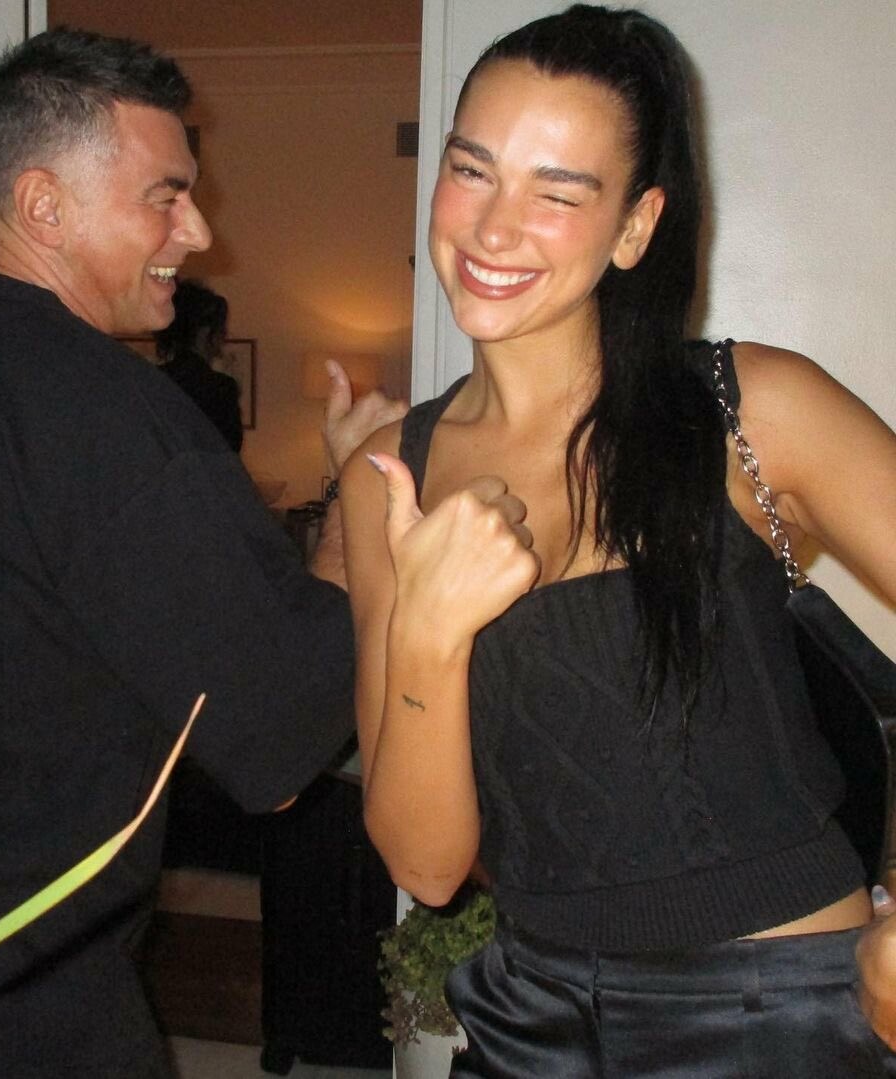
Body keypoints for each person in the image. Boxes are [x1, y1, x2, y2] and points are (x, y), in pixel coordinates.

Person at [0, 27, 403, 1079]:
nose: (199, 231)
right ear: (44, 204)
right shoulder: (114, 414)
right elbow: (281, 742)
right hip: (14, 1016)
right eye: (164, 197)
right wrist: (355, 505)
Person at [340, 5, 896, 1075]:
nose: (493, 228)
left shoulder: (751, 410)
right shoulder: (389, 482)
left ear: (635, 227)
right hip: (531, 1016)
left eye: (556, 193)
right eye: (471, 169)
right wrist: (431, 632)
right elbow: (426, 861)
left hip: (779, 1008)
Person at [155, 278, 244, 452]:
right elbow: (228, 451)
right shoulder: (220, 388)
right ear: (205, 333)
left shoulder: (153, 379)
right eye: (221, 330)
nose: (224, 336)